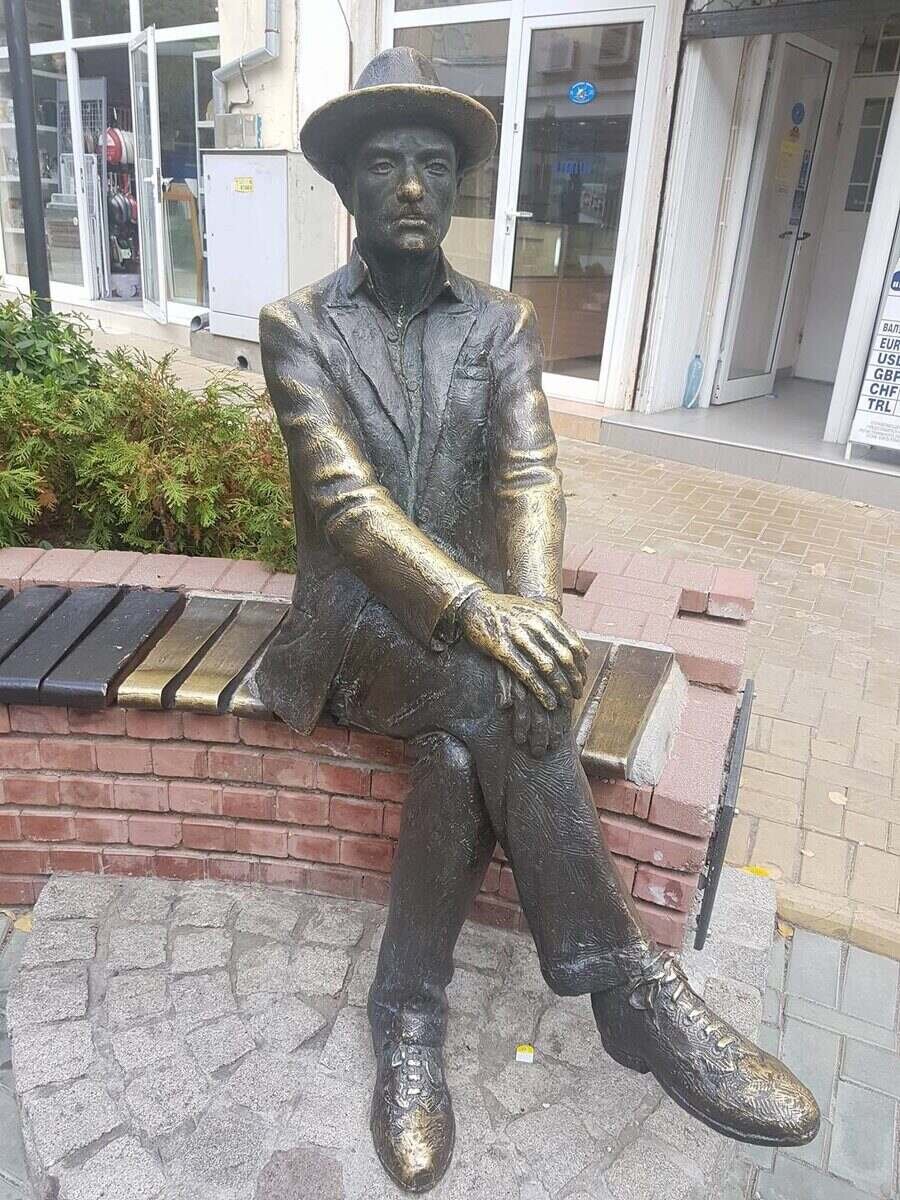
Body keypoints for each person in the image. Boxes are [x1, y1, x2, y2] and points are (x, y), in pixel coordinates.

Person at [256, 47, 819, 1195]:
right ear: (348, 187)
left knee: (467, 748)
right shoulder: (297, 326)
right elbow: (348, 507)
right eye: (385, 164)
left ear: (458, 185)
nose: (412, 186)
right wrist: (484, 614)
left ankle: (408, 1013)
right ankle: (633, 990)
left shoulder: (503, 323)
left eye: (433, 165)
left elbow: (528, 476)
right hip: (354, 631)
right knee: (492, 683)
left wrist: (534, 614)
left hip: (463, 648)